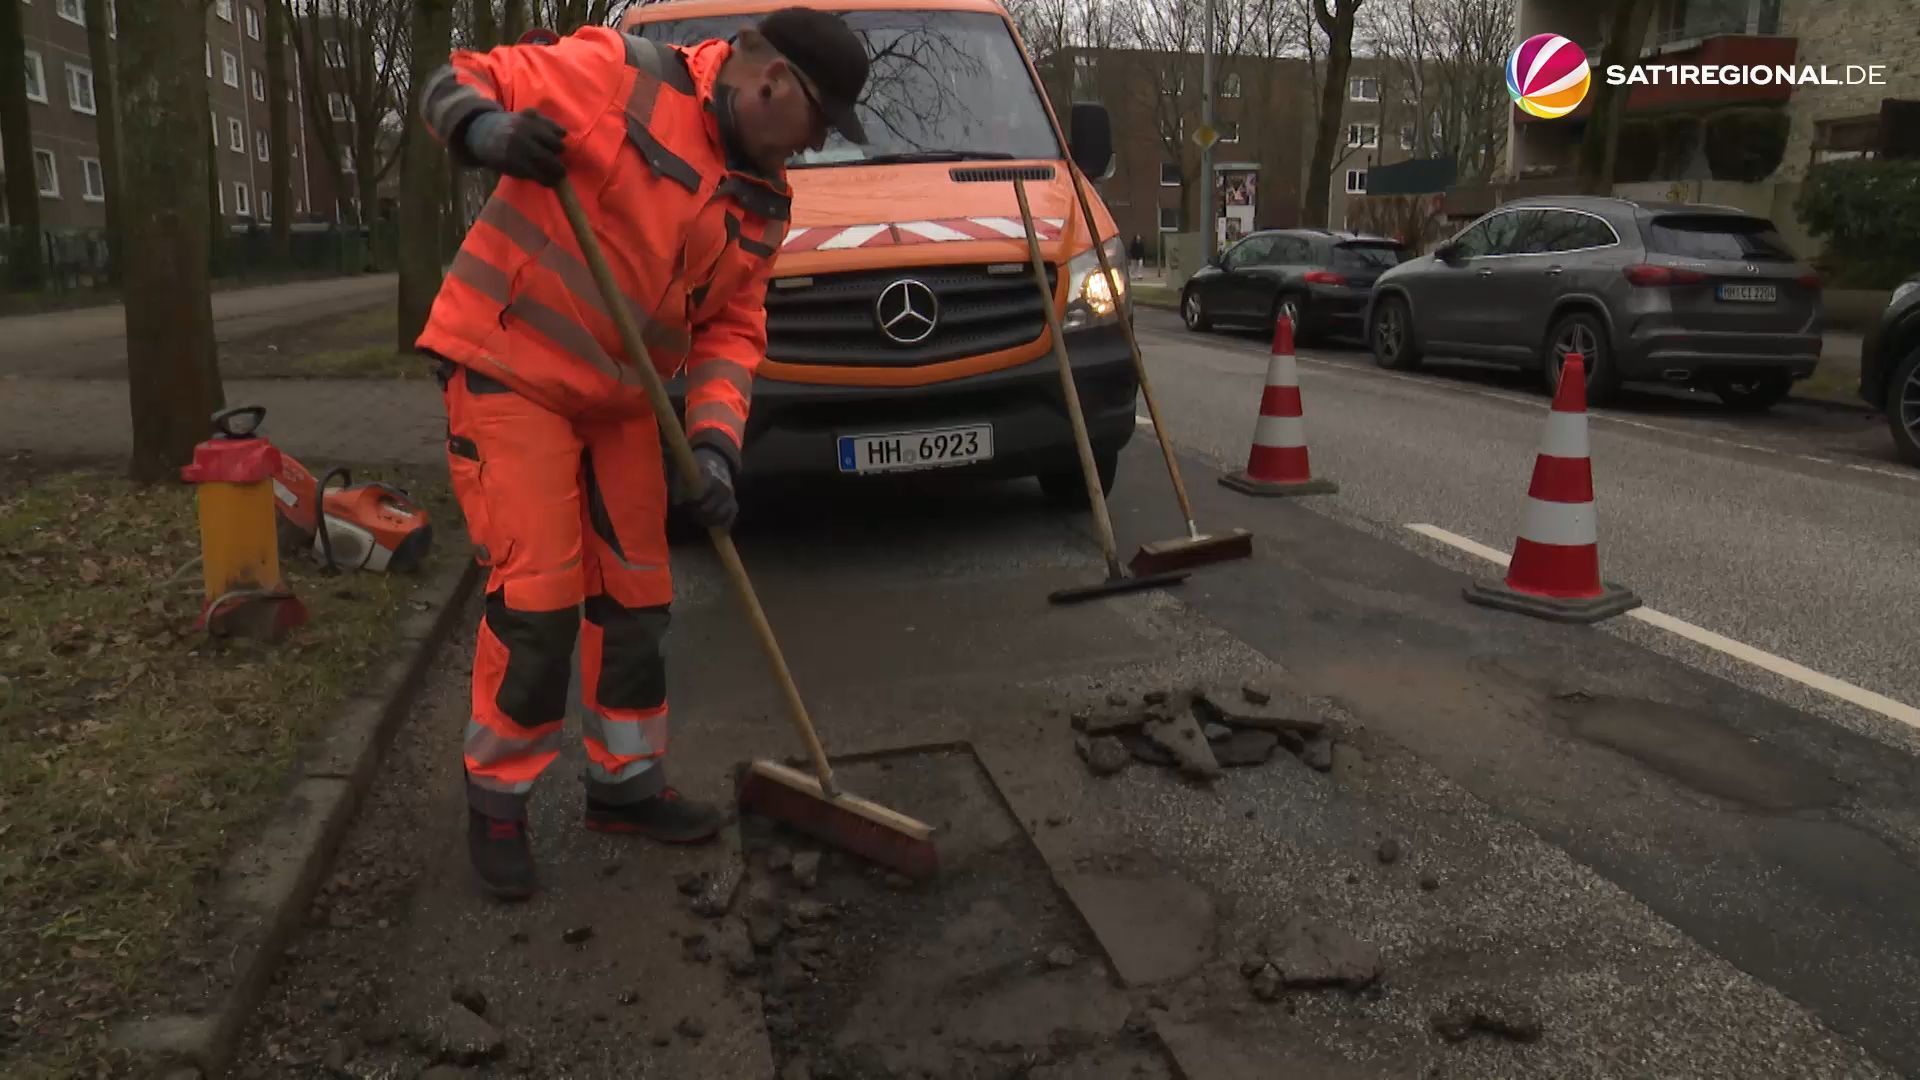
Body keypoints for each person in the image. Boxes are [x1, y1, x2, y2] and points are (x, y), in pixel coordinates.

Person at [413, 8, 870, 899]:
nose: (815, 147)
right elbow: (455, 80)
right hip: (509, 364)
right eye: (818, 124)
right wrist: (485, 131)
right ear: (774, 81)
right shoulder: (618, 75)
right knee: (539, 598)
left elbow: (732, 330)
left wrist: (715, 450)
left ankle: (624, 784)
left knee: (638, 596)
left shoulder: (764, 200)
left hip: (621, 401)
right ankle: (498, 800)